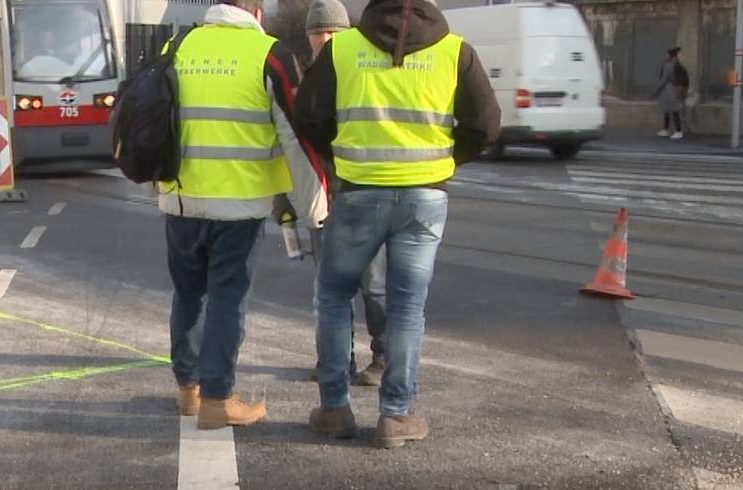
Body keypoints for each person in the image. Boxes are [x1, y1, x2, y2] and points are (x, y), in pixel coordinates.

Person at [294, 0, 499, 448]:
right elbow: (486, 125)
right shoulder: (455, 51)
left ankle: (334, 409)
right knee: (408, 306)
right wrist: (444, 161)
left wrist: (340, 156)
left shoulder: (342, 49)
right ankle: (395, 415)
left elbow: (306, 114)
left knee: (333, 296)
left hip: (358, 191)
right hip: (425, 197)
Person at [163, 0, 312, 430]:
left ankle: (187, 390)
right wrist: (313, 206)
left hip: (180, 199)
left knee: (188, 293)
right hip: (240, 205)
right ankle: (217, 399)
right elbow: (294, 137)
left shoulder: (179, 45)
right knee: (228, 299)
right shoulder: (270, 54)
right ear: (256, 11)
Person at [296, 0, 392, 389]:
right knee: (328, 286)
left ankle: (384, 356)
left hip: (362, 192)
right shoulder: (304, 79)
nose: (324, 39)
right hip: (324, 196)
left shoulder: (361, 71)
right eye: (318, 33)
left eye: (331, 32)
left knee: (374, 283)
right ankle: (336, 359)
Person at [655, 47, 689, 140]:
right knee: (668, 110)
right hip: (675, 90)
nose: (665, 56)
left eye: (667, 55)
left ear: (670, 56)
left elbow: (664, 79)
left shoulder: (669, 65)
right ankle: (666, 129)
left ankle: (678, 131)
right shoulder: (678, 65)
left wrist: (656, 90)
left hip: (671, 91)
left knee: (674, 111)